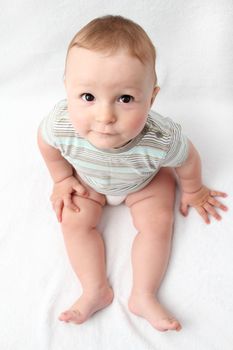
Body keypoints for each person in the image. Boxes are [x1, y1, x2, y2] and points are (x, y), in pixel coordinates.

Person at [38, 15, 228, 332]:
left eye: (125, 98)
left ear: (151, 98)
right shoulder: (60, 124)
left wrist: (193, 190)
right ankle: (94, 289)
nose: (105, 116)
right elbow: (46, 144)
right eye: (87, 97)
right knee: (74, 223)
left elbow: (188, 159)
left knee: (156, 225)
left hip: (145, 183)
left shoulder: (161, 138)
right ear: (67, 89)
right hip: (88, 180)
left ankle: (143, 294)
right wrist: (61, 179)